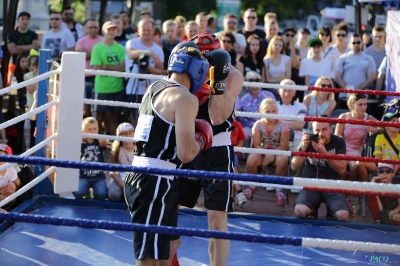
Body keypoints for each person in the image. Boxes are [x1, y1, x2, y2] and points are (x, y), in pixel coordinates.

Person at [124, 46, 212, 265]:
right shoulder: (185, 98)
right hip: (154, 182)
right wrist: (201, 140)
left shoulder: (153, 87)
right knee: (149, 258)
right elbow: (186, 154)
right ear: (199, 71)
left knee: (171, 244)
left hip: (148, 177)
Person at [174, 34, 243, 266]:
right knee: (167, 207)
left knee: (216, 222)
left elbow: (216, 116)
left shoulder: (232, 74)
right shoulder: (187, 72)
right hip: (189, 145)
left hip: (218, 148)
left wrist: (216, 81)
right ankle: (169, 260)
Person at [291, 119, 349, 221]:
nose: (321, 133)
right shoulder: (308, 141)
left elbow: (342, 169)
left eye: (324, 129)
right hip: (311, 184)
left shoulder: (339, 141)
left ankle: (330, 207)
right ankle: (313, 206)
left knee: (342, 215)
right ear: (312, 130)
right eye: (317, 130)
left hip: (332, 185)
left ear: (331, 130)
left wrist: (325, 154)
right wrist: (303, 148)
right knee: (300, 211)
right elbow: (294, 166)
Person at [244, 98, 289, 206]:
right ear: (261, 112)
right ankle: (252, 185)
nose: (271, 114)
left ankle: (279, 189)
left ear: (277, 111)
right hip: (261, 153)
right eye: (267, 111)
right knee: (251, 159)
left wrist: (271, 154)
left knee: (283, 160)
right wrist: (266, 154)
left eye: (274, 111)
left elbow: (283, 146)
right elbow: (256, 145)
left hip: (277, 153)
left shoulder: (283, 125)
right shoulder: (258, 125)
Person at [125, 19, 164, 124]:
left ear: (153, 30)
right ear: (138, 30)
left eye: (148, 30)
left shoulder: (158, 49)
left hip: (151, 89)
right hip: (134, 88)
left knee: (149, 120)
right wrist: (150, 53)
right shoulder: (132, 43)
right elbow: (131, 54)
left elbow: (161, 70)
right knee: (134, 119)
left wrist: (150, 67)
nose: (146, 32)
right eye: (143, 30)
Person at [91, 21, 125, 135]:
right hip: (102, 88)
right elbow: (98, 70)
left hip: (117, 87)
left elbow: (122, 68)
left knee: (115, 117)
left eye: (113, 29)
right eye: (109, 29)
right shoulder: (97, 48)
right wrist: (114, 68)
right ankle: (98, 143)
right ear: (103, 31)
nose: (111, 32)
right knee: (99, 117)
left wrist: (107, 67)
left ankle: (114, 144)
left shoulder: (120, 48)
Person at [335, 94, 378, 181]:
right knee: (342, 167)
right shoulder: (343, 117)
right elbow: (337, 138)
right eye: (360, 104)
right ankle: (342, 192)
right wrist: (341, 155)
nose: (364, 107)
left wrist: (375, 129)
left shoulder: (368, 118)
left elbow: (386, 128)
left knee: (354, 167)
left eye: (365, 104)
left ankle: (350, 191)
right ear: (351, 105)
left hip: (357, 152)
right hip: (342, 150)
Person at [357, 112, 400, 182]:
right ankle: (368, 187)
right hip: (381, 164)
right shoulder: (379, 137)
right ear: (386, 125)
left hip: (397, 166)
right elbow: (377, 155)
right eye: (393, 121)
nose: (397, 123)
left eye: (398, 121)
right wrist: (382, 170)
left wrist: (392, 172)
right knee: (359, 163)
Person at [73, 117, 108, 200]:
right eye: (89, 129)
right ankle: (87, 192)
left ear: (98, 129)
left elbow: (104, 142)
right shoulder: (81, 143)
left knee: (103, 194)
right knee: (78, 193)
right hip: (83, 176)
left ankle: (95, 193)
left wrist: (96, 135)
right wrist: (82, 136)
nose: (92, 131)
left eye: (95, 129)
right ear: (83, 131)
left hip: (98, 176)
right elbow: (73, 142)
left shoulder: (99, 142)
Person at [75, 18, 104, 117]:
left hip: (99, 78)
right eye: (90, 27)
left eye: (95, 27)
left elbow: (102, 58)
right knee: (84, 107)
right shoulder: (81, 41)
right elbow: (80, 55)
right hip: (84, 77)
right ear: (85, 28)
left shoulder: (103, 40)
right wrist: (97, 53)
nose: (93, 29)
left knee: (98, 108)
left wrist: (88, 52)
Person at [335, 34, 376, 100]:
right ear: (350, 44)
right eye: (353, 43)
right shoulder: (342, 58)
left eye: (358, 42)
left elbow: (370, 79)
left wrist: (358, 91)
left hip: (362, 96)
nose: (356, 44)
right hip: (345, 96)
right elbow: (337, 77)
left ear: (362, 43)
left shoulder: (369, 59)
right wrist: (348, 90)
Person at [236, 71, 276, 138]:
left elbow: (275, 112)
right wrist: (255, 126)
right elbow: (240, 118)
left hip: (269, 125)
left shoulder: (269, 95)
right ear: (247, 83)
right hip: (249, 127)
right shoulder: (242, 100)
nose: (254, 83)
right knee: (245, 134)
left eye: (257, 80)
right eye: (251, 80)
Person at [109, 123, 135, 202]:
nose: (128, 136)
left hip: (135, 179)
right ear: (119, 137)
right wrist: (120, 182)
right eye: (125, 134)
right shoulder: (116, 150)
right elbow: (112, 171)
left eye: (130, 133)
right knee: (113, 195)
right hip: (120, 178)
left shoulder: (140, 149)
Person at [230, 119, 247, 207]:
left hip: (234, 153)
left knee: (233, 168)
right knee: (233, 169)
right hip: (220, 153)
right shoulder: (216, 122)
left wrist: (231, 150)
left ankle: (233, 199)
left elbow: (241, 142)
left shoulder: (237, 124)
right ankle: (238, 193)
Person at [0, 144, 21, 211]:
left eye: (2, 157)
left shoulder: (11, 170)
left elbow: (16, 179)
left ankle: (6, 210)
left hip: (3, 194)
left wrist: (12, 186)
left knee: (11, 197)